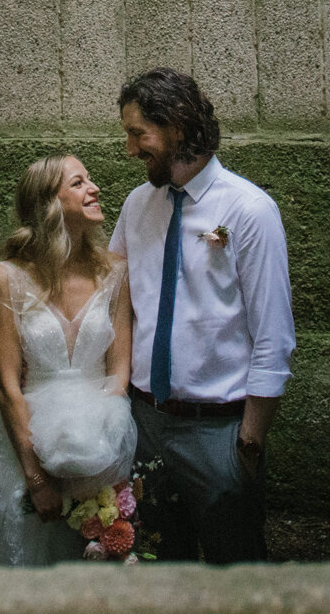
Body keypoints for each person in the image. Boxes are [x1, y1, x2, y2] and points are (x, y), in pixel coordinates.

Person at [110, 67, 296, 563]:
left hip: (220, 432)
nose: (130, 149)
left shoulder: (250, 211)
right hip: (145, 423)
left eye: (137, 134)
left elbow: (273, 336)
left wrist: (249, 445)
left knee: (232, 572)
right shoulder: (136, 206)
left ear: (175, 125)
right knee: (156, 563)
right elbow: (118, 304)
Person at [0, 155, 138, 565]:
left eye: (90, 179)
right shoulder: (8, 277)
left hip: (104, 440)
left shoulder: (116, 272)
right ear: (49, 205)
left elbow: (119, 371)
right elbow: (7, 386)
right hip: (31, 442)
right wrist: (37, 478)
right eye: (79, 183)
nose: (94, 188)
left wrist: (101, 452)